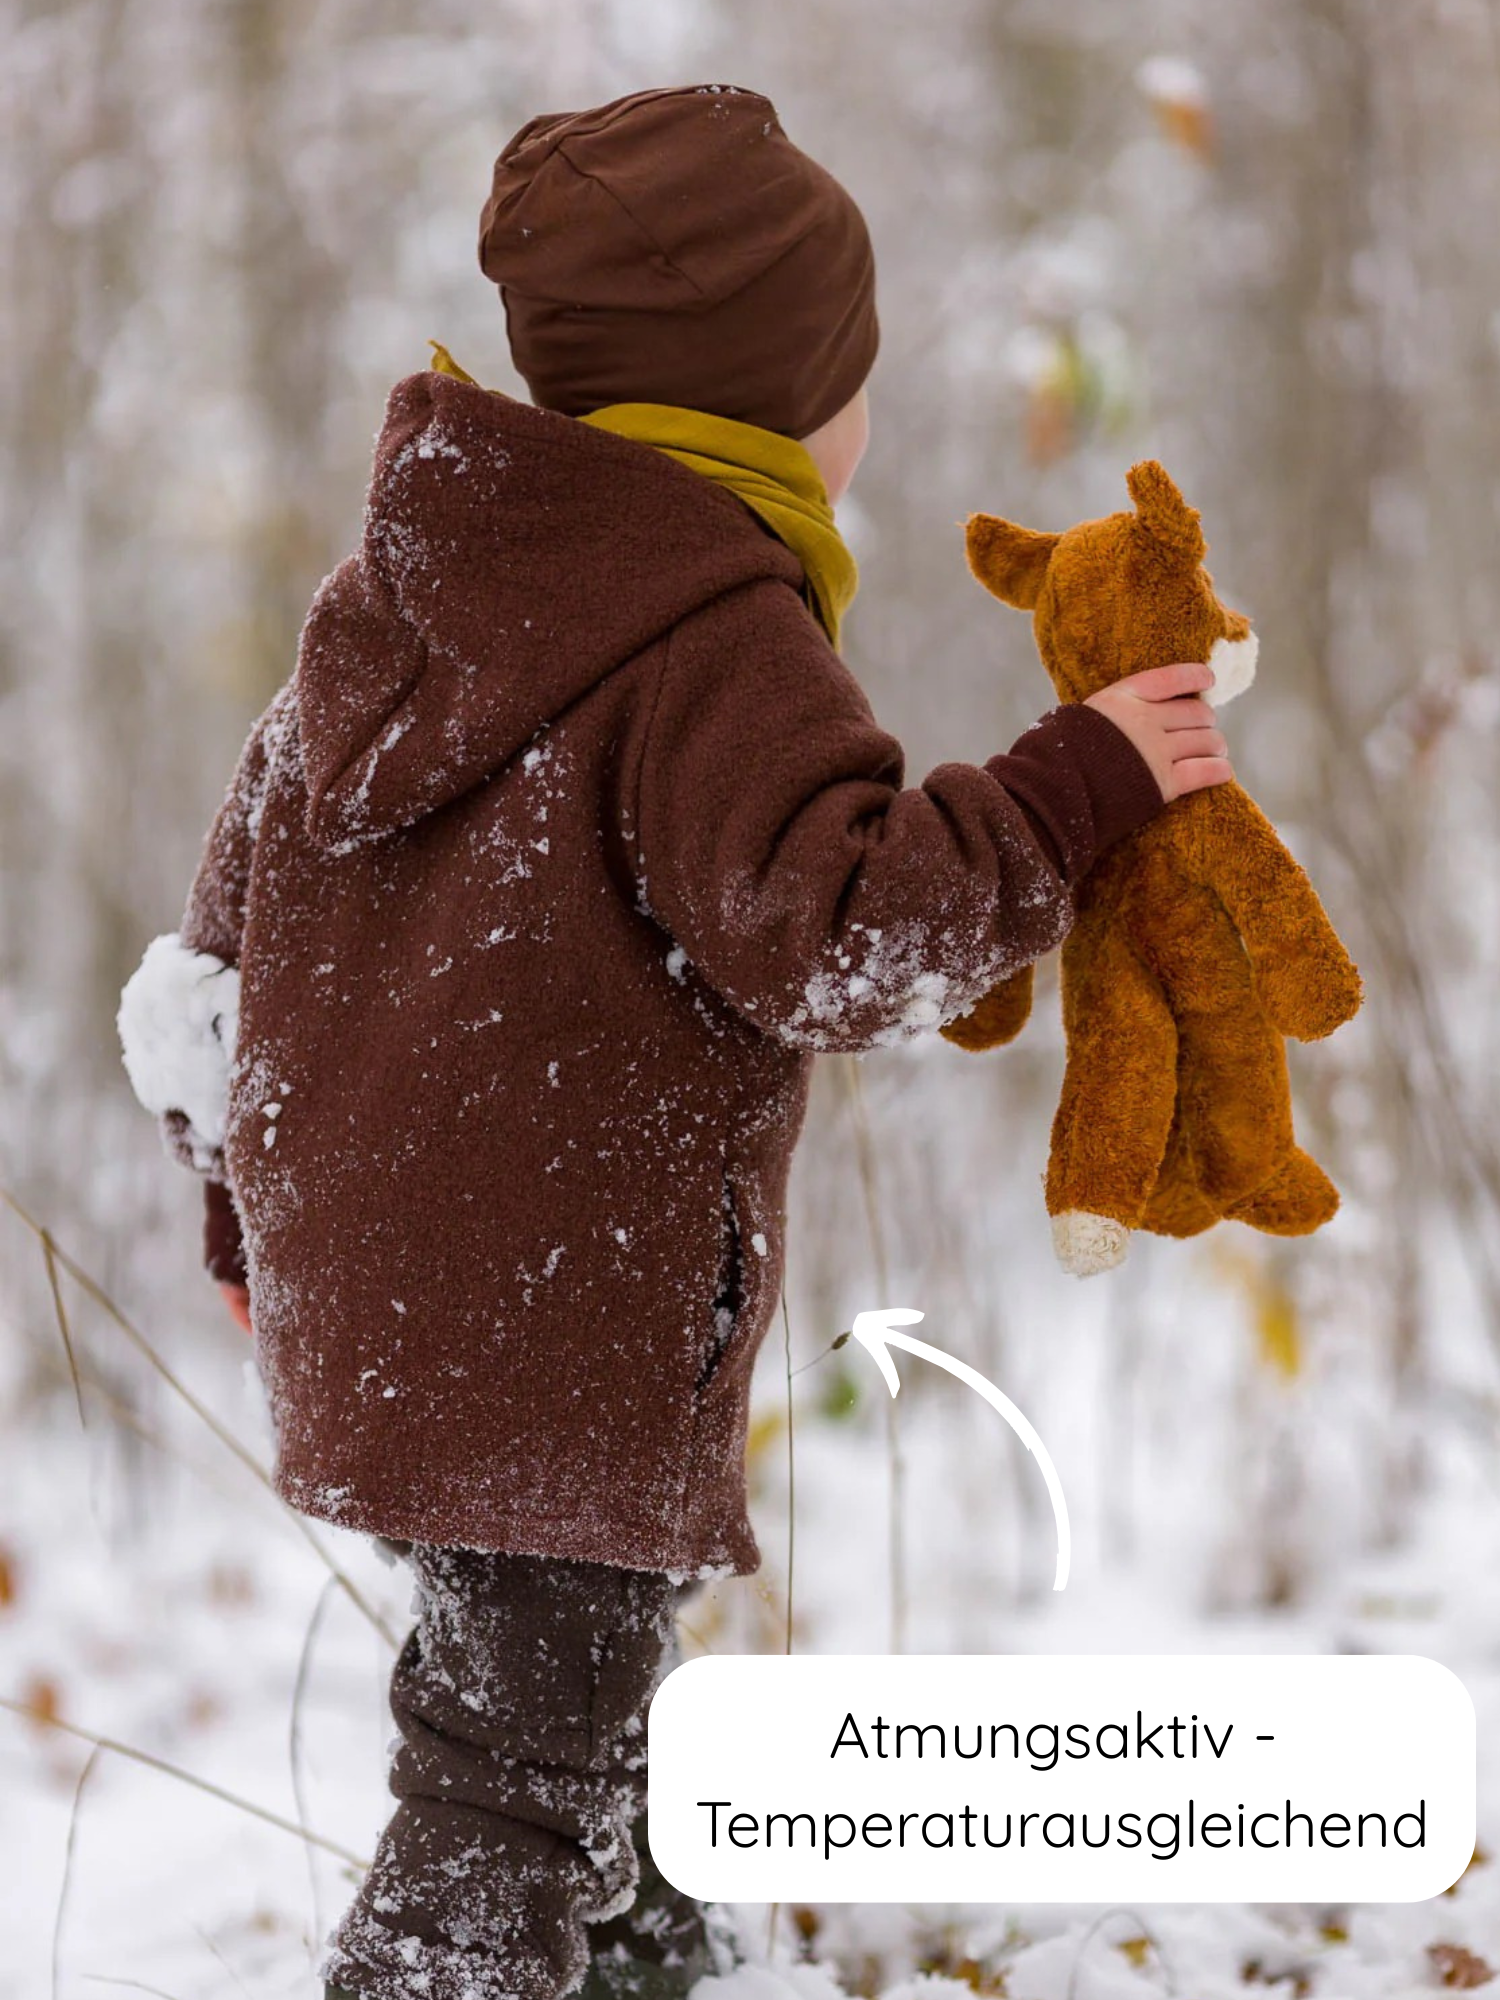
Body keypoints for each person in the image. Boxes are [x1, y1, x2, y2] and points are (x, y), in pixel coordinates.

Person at [118, 83, 1228, 2000]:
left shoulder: (390, 598)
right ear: (782, 397)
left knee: (562, 1698)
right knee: (512, 1771)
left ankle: (648, 1965)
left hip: (398, 1289)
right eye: (852, 370)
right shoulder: (711, 628)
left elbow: (230, 958)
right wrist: (1072, 791)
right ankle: (453, 1972)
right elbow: (841, 940)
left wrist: (251, 1217)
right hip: (566, 1309)